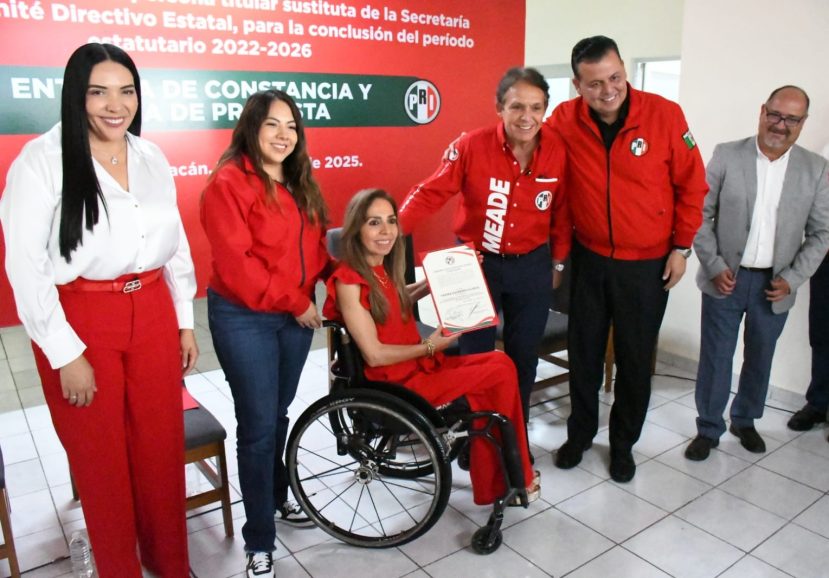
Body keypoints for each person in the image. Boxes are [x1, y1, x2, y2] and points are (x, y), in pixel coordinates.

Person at [0, 43, 197, 577]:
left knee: (159, 448)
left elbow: (175, 241)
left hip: (152, 308)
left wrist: (183, 320)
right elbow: (26, 267)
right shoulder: (42, 161)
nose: (116, 105)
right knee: (101, 461)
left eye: (127, 91)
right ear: (76, 96)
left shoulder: (150, 156)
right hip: (81, 318)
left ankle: (170, 563)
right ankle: (119, 568)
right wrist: (64, 354)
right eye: (99, 92)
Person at [548, 36, 708, 482]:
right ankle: (580, 435)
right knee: (583, 355)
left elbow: (693, 187)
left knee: (635, 361)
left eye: (615, 77)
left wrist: (682, 248)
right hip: (589, 259)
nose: (608, 90)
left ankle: (623, 445)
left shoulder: (664, 115)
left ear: (624, 70)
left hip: (647, 265)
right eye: (595, 83)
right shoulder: (563, 120)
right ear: (578, 85)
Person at [325, 188, 539, 507]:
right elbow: (375, 355)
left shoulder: (377, 268)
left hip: (416, 368)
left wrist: (446, 275)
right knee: (498, 372)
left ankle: (505, 475)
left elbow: (396, 300)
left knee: (501, 364)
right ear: (357, 229)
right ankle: (507, 477)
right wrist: (429, 346)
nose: (386, 231)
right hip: (397, 384)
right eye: (374, 223)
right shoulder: (349, 280)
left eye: (391, 221)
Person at [200, 89, 329, 578]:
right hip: (245, 317)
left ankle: (276, 498)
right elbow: (238, 265)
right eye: (272, 124)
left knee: (276, 414)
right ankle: (259, 540)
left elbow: (317, 247)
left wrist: (346, 276)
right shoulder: (228, 182)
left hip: (292, 318)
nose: (283, 135)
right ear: (251, 128)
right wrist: (297, 302)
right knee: (256, 428)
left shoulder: (299, 180)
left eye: (291, 126)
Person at [399, 67, 569, 425]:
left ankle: (514, 433)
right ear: (499, 108)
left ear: (545, 109)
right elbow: (430, 193)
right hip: (474, 266)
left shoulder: (558, 150)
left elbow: (563, 212)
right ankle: (476, 435)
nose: (526, 117)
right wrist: (389, 233)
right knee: (473, 358)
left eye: (536, 107)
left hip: (531, 267)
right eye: (517, 106)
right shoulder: (471, 145)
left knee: (524, 358)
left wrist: (557, 263)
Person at [684, 86, 829, 460]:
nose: (780, 124)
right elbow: (699, 215)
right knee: (716, 357)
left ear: (802, 123)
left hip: (775, 285)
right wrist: (714, 264)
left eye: (791, 119)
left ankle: (745, 421)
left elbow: (821, 233)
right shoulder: (727, 154)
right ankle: (708, 428)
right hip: (725, 278)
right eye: (775, 114)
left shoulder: (815, 168)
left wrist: (793, 279)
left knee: (760, 356)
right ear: (763, 111)